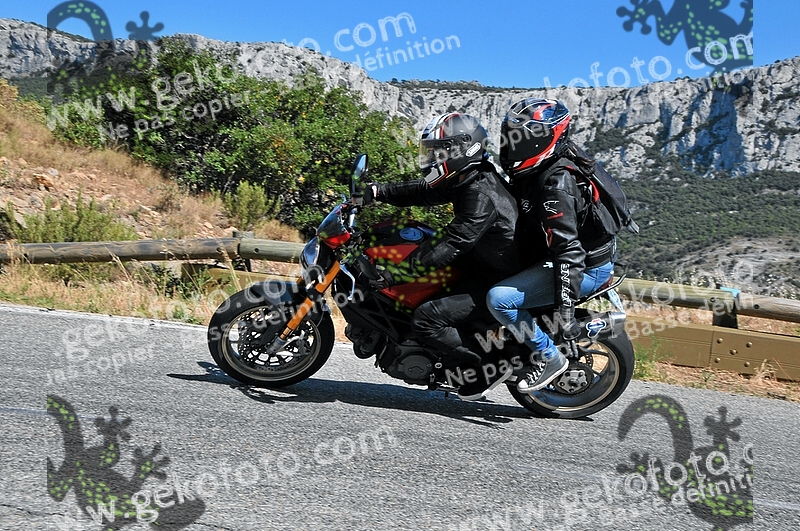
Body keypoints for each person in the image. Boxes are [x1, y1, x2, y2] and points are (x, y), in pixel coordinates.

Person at [357, 112, 521, 400]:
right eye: (432, 151)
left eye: (440, 151)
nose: (433, 158)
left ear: (463, 148)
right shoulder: (467, 176)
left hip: (498, 278)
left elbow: (451, 242)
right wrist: (376, 191)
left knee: (427, 318)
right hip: (479, 264)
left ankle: (485, 368)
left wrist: (395, 275)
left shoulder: (481, 194)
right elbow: (424, 192)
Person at [486, 98, 617, 394]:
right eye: (511, 136)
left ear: (547, 138)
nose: (514, 144)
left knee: (499, 299)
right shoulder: (539, 168)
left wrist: (565, 313)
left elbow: (568, 252)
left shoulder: (556, 186)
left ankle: (549, 357)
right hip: (569, 256)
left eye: (523, 138)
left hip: (584, 267)